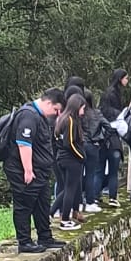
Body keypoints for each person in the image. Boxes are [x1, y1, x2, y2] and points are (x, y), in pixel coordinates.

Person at [4, 88, 66, 252]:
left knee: (42, 204)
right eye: (56, 110)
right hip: (24, 170)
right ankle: (24, 242)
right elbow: (24, 144)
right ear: (48, 103)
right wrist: (28, 170)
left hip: (40, 171)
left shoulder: (40, 116)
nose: (56, 114)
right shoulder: (28, 115)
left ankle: (45, 237)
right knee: (24, 205)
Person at [54, 92, 86, 230]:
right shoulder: (70, 121)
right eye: (82, 108)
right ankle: (65, 219)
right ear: (77, 107)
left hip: (61, 158)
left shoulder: (61, 119)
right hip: (71, 160)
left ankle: (52, 211)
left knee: (67, 188)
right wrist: (81, 156)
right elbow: (70, 143)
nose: (83, 111)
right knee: (70, 190)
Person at [98, 69, 128, 208]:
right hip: (113, 137)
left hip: (104, 138)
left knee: (100, 169)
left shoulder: (108, 93)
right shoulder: (112, 95)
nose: (127, 81)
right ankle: (112, 197)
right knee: (112, 171)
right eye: (126, 78)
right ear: (120, 78)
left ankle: (95, 196)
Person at [82, 90, 108, 213]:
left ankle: (78, 202)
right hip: (93, 145)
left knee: (78, 175)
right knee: (90, 174)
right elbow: (108, 127)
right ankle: (90, 201)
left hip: (81, 145)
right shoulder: (97, 113)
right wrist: (102, 139)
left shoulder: (79, 114)